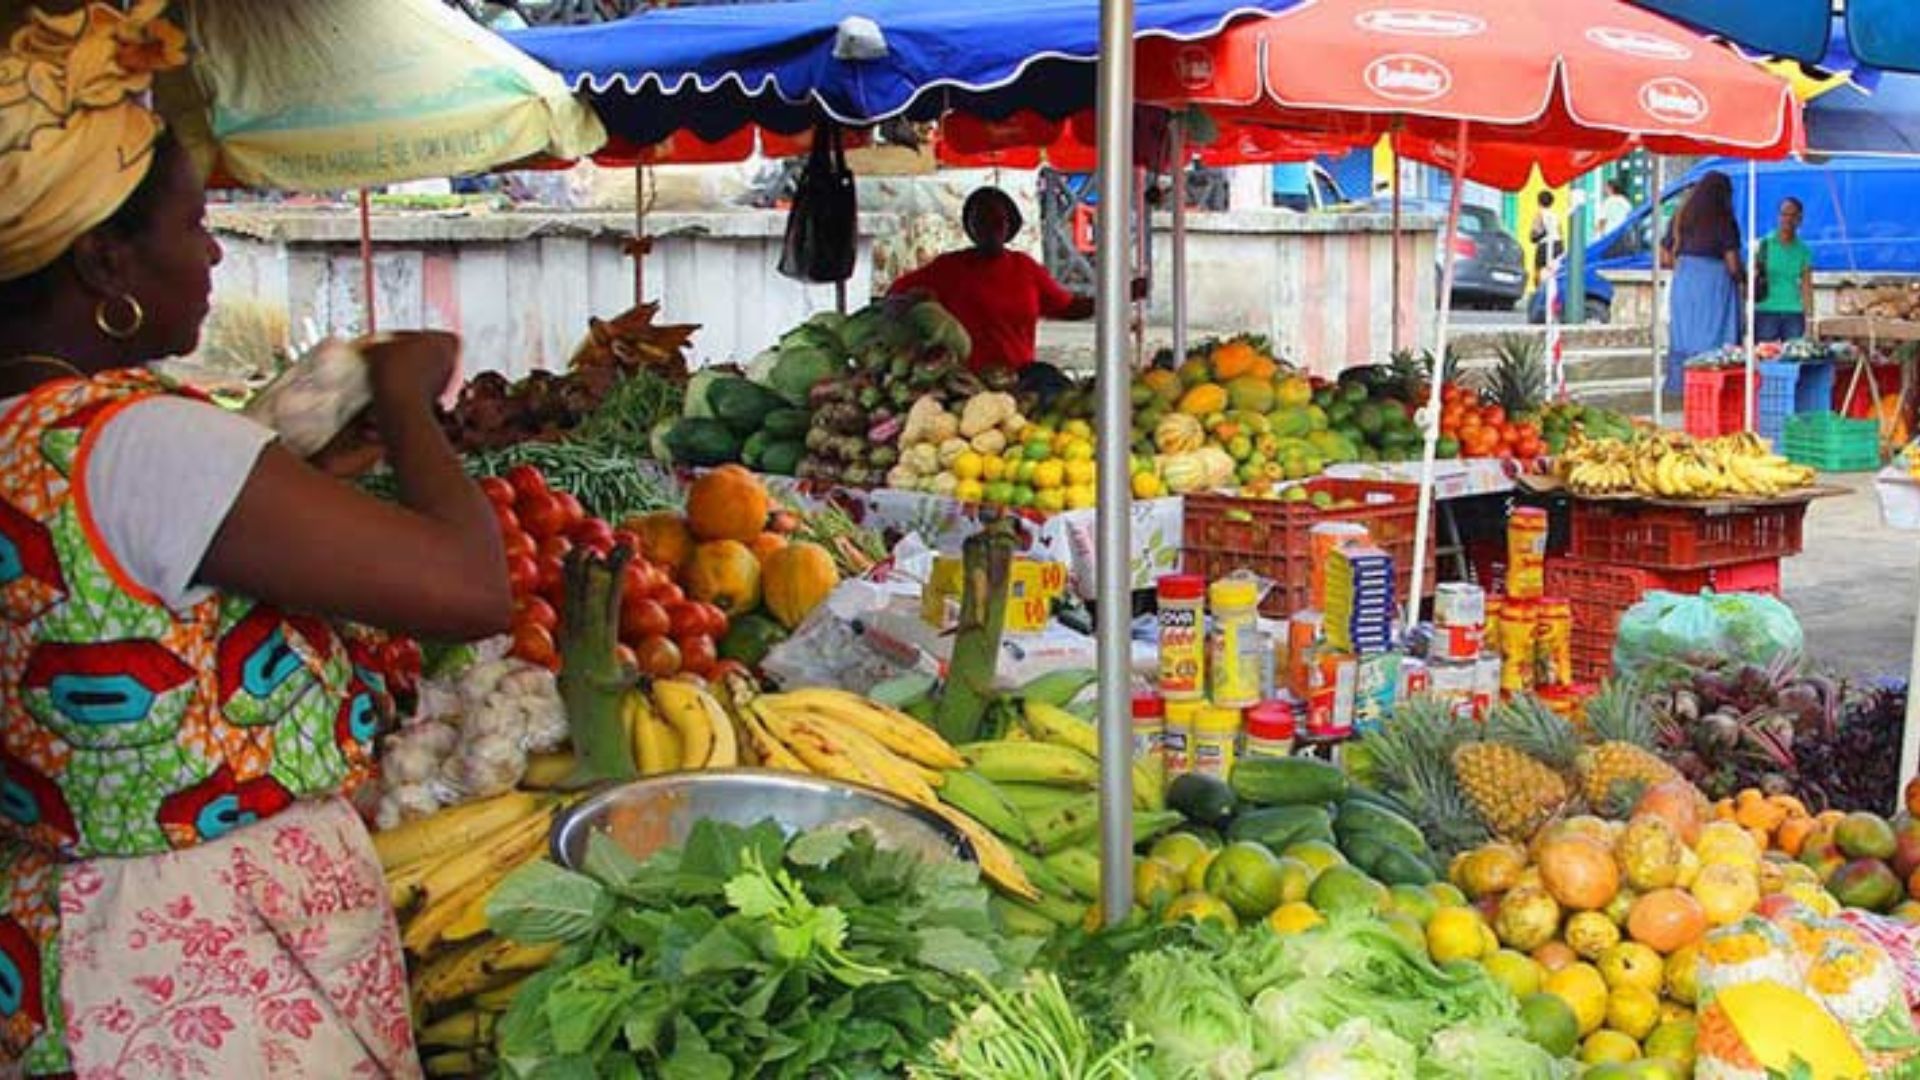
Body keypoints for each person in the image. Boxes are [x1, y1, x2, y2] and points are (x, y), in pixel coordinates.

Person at [0, 5, 510, 1075]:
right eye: (190, 226)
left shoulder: (34, 438)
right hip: (208, 959)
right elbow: (470, 588)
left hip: (69, 937)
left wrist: (312, 463)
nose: (213, 252)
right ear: (104, 267)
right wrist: (408, 396)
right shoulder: (137, 439)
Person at [888, 186, 1145, 374]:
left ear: (1009, 225)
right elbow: (896, 295)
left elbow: (1070, 308)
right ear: (970, 227)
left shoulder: (1025, 268)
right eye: (981, 221)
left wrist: (1123, 295)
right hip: (964, 383)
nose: (990, 228)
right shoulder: (948, 268)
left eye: (997, 221)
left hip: (1019, 379)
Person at [1661, 170, 1745, 395]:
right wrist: (1745, 280)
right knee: (1714, 335)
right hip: (1713, 284)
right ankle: (1711, 388)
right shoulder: (1724, 220)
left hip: (1685, 281)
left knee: (1684, 336)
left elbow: (1664, 256)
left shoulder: (1681, 216)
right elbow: (1733, 264)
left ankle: (1681, 385)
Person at [1755, 196, 1815, 342]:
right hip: (1766, 310)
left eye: (1792, 215)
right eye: (1783, 214)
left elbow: (1806, 286)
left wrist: (1810, 318)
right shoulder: (1763, 245)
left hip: (1793, 311)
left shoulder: (1804, 250)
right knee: (1765, 357)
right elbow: (1753, 277)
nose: (1787, 219)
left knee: (1794, 358)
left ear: (1799, 219)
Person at [1530, 190, 1564, 282]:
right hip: (1557, 244)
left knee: (1538, 272)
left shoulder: (1539, 214)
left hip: (1544, 245)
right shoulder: (1556, 215)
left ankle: (1540, 292)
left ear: (1539, 201)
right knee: (1555, 272)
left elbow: (1535, 232)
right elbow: (1560, 233)